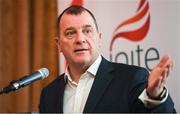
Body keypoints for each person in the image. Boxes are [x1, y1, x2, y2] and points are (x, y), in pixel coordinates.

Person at [39, 5, 176, 113]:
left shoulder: (132, 78)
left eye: (87, 31)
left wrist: (154, 97)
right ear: (58, 45)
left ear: (99, 38)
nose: (80, 39)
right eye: (70, 33)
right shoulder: (49, 94)